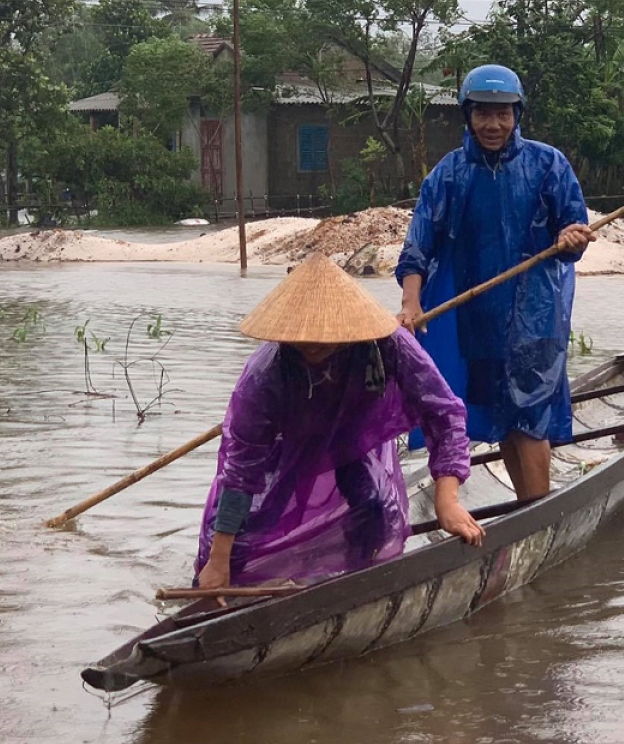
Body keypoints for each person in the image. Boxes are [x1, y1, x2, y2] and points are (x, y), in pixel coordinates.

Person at [195, 253, 485, 592]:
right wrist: (218, 561)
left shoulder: (387, 346)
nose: (312, 344)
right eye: (302, 335)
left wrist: (446, 500)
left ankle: (358, 584)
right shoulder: (264, 376)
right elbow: (242, 469)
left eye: (324, 334)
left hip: (353, 440)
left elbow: (444, 414)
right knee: (235, 547)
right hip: (285, 446)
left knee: (375, 510)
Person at [395, 64, 596, 502]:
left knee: (531, 415)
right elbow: (418, 247)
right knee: (504, 418)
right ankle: (528, 508)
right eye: (483, 114)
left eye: (503, 114)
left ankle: (537, 514)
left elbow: (574, 228)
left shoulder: (548, 164)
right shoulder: (448, 175)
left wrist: (571, 237)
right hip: (478, 319)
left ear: (517, 114)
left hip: (536, 317)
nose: (494, 125)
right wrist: (411, 301)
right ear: (467, 115)